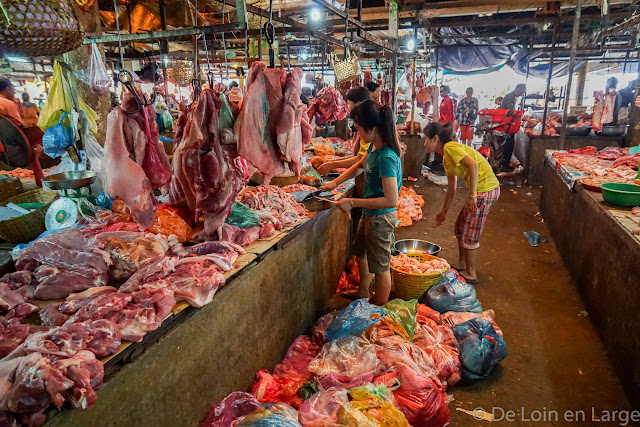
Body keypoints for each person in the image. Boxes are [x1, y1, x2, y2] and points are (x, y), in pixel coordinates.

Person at [322, 100, 402, 305]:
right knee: (360, 251)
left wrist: (353, 202)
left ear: (373, 129)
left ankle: (379, 310)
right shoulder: (374, 149)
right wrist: (335, 183)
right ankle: (364, 292)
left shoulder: (386, 157)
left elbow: (391, 199)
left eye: (358, 129)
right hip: (370, 215)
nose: (356, 133)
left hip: (381, 218)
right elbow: (359, 166)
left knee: (381, 267)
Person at [423, 122, 500, 284]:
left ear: (435, 138)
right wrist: (444, 211)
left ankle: (471, 273)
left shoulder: (451, 147)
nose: (424, 143)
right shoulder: (446, 157)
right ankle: (462, 264)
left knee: (470, 231)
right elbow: (452, 188)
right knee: (460, 226)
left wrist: (472, 194)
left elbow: (473, 165)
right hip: (480, 189)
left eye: (426, 139)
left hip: (486, 189)